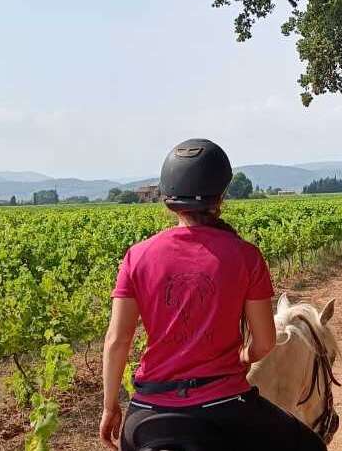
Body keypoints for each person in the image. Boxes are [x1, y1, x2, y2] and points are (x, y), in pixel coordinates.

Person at [99, 138, 326, 451]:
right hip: (224, 408)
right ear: (220, 198)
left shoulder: (137, 256)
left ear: (167, 200)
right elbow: (264, 343)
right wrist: (244, 357)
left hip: (148, 414)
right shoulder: (245, 256)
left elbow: (117, 340)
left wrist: (110, 406)